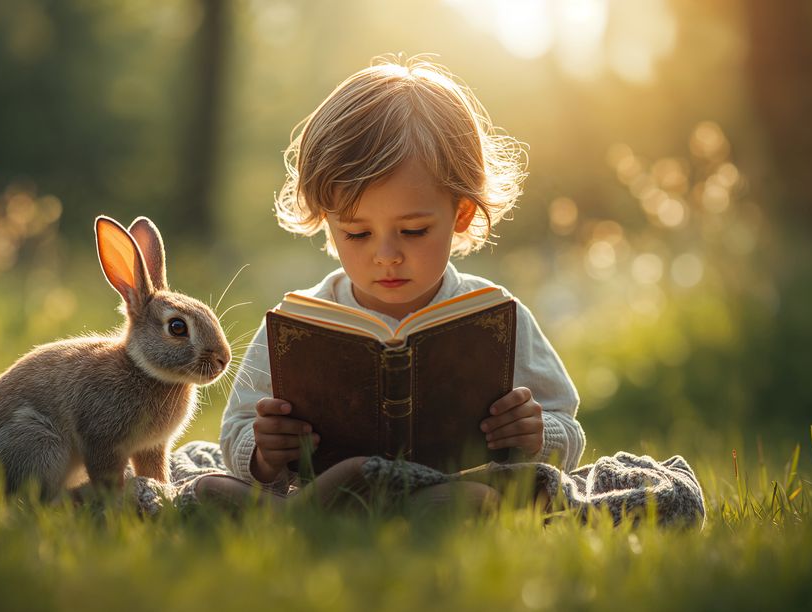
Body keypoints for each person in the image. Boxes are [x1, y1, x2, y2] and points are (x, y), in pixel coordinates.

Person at [200, 55, 585, 514]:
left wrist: (538, 433)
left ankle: (296, 521)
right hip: (331, 488)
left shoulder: (494, 315)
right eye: (358, 234)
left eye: (414, 230)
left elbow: (568, 427)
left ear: (460, 213)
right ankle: (296, 514)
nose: (386, 255)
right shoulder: (298, 323)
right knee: (213, 486)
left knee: (479, 499)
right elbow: (235, 433)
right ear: (327, 223)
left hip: (448, 487)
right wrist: (263, 453)